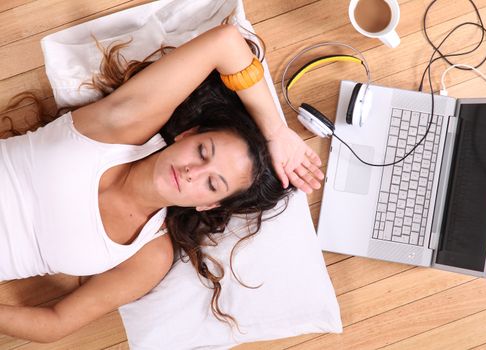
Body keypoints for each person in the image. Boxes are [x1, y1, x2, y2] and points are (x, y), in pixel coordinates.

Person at [0, 24, 324, 342]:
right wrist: (276, 132)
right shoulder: (123, 124)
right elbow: (226, 43)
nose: (191, 172)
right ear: (187, 135)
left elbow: (55, 323)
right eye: (201, 151)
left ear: (209, 204)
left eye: (212, 184)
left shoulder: (149, 257)